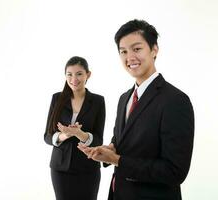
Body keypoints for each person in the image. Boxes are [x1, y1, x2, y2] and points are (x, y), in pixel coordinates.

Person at [78, 19, 194, 200]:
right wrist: (109, 149)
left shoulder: (175, 101)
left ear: (154, 50)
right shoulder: (124, 98)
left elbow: (174, 171)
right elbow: (123, 141)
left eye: (137, 49)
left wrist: (117, 160)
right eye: (123, 51)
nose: (129, 57)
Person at [44, 56, 105, 200]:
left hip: (88, 168)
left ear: (88, 75)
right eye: (69, 74)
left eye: (79, 74)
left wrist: (79, 134)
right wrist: (64, 135)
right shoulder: (57, 99)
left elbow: (98, 139)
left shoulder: (98, 101)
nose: (74, 79)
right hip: (60, 168)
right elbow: (47, 136)